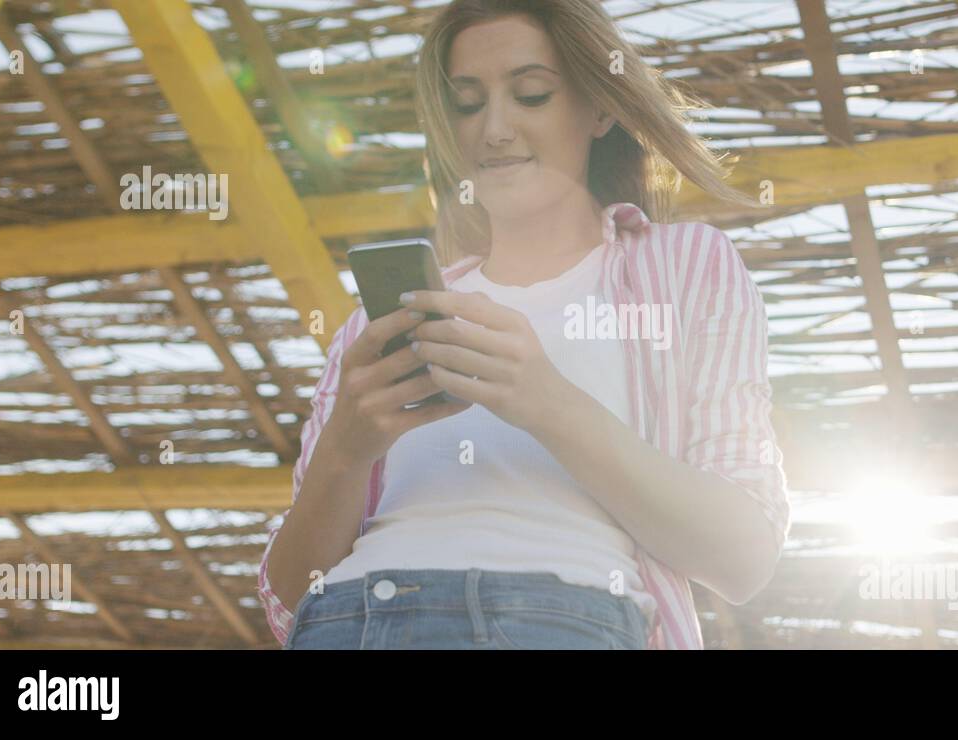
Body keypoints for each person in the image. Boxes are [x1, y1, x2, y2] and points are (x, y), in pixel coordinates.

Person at [258, 0, 790, 650]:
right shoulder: (380, 321)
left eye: (532, 94)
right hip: (349, 625)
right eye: (467, 103)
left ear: (600, 108)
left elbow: (743, 555)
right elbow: (289, 602)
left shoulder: (684, 266)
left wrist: (545, 401)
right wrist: (345, 449)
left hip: (561, 623)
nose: (495, 129)